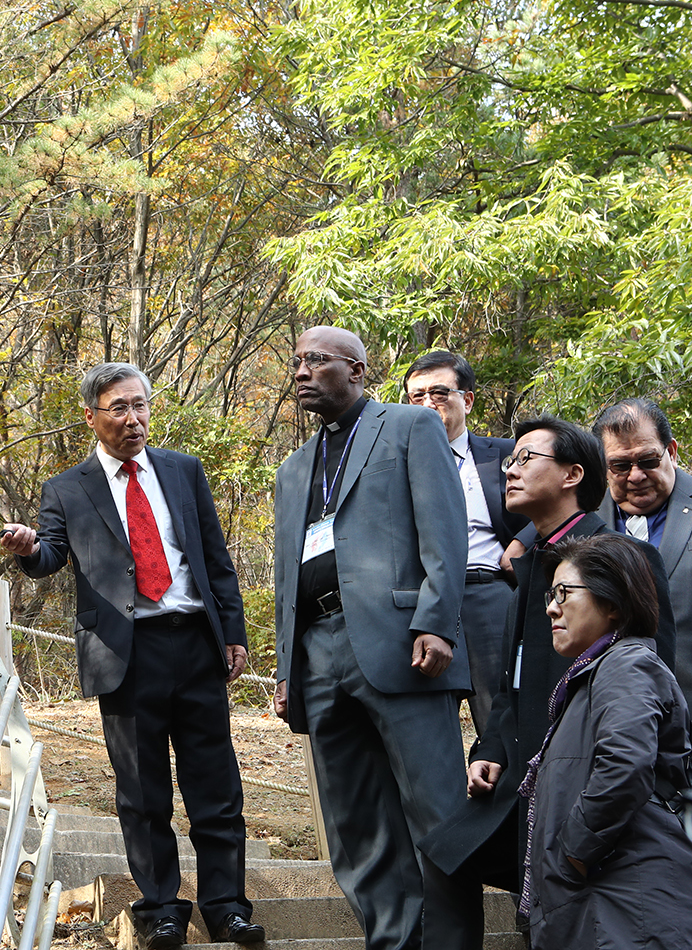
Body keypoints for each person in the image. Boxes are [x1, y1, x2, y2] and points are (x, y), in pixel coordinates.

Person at [1, 362, 263, 946]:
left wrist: (233, 630)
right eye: (118, 408)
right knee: (143, 794)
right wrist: (26, 548)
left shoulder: (182, 471)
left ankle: (227, 907)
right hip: (125, 652)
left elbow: (214, 557)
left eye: (140, 405)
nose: (133, 418)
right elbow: (48, 556)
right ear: (92, 417)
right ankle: (162, 909)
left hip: (194, 640)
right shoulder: (68, 489)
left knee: (216, 787)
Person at [272, 326, 478, 950]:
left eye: (318, 360)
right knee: (355, 824)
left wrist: (437, 621)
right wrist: (286, 667)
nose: (303, 371)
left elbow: (445, 530)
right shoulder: (293, 468)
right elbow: (285, 577)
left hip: (401, 643)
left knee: (437, 813)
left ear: (358, 370)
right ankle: (392, 942)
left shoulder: (410, 427)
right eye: (298, 362)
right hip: (319, 653)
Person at [419, 417, 676, 903]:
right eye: (509, 461)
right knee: (446, 858)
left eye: (525, 459)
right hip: (526, 778)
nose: (509, 471)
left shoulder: (625, 558)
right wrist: (491, 747)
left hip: (589, 790)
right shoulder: (531, 565)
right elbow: (511, 679)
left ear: (572, 475)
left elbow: (651, 681)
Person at [519, 534, 692, 948]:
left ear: (613, 604)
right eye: (550, 594)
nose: (551, 607)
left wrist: (572, 854)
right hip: (600, 907)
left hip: (626, 906)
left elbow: (624, 765)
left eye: (564, 592)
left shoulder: (626, 663)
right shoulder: (588, 679)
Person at [402, 350, 528, 729]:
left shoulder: (505, 455)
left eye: (439, 393)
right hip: (422, 605)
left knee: (501, 717)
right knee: (427, 725)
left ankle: (502, 786)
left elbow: (564, 499)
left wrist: (524, 540)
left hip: (490, 593)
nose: (427, 404)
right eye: (417, 396)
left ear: (467, 400)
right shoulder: (395, 462)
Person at [592, 398, 692, 699]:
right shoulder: (583, 518)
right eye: (621, 466)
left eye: (648, 461)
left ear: (671, 452)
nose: (636, 476)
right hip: (608, 708)